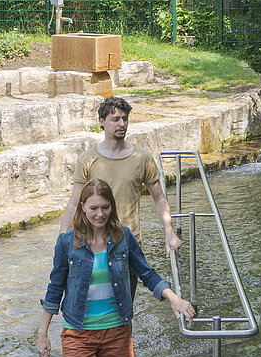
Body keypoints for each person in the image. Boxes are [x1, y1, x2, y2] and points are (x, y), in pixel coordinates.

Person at [37, 179, 195, 357]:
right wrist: (43, 334)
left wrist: (174, 299)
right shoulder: (67, 243)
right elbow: (55, 287)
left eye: (106, 207)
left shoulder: (123, 237)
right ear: (82, 207)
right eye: (94, 208)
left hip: (116, 334)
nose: (100, 214)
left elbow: (147, 273)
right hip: (78, 334)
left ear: (112, 206)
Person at [60, 95, 182, 256]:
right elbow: (74, 203)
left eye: (125, 119)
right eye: (115, 119)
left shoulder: (142, 157)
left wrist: (169, 231)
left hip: (129, 244)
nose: (122, 124)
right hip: (94, 246)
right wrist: (62, 240)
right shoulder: (87, 159)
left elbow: (159, 198)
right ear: (102, 121)